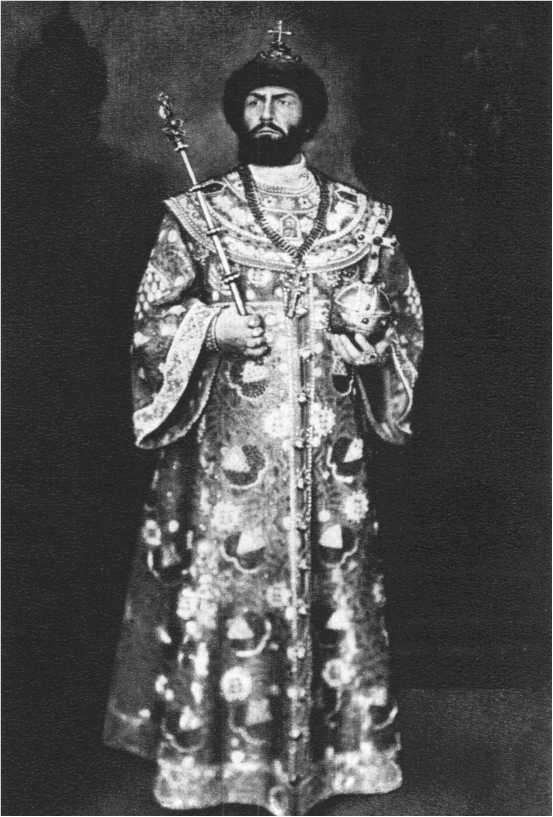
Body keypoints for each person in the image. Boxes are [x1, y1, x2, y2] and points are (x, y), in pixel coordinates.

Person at [104, 23, 423, 817]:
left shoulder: (359, 219)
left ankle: (336, 759)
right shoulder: (198, 214)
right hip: (229, 458)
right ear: (237, 115)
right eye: (255, 102)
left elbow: (396, 317)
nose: (269, 113)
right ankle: (222, 761)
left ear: (308, 116)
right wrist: (210, 326)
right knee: (233, 591)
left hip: (330, 459)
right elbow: (150, 320)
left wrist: (366, 336)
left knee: (332, 585)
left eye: (283, 101)